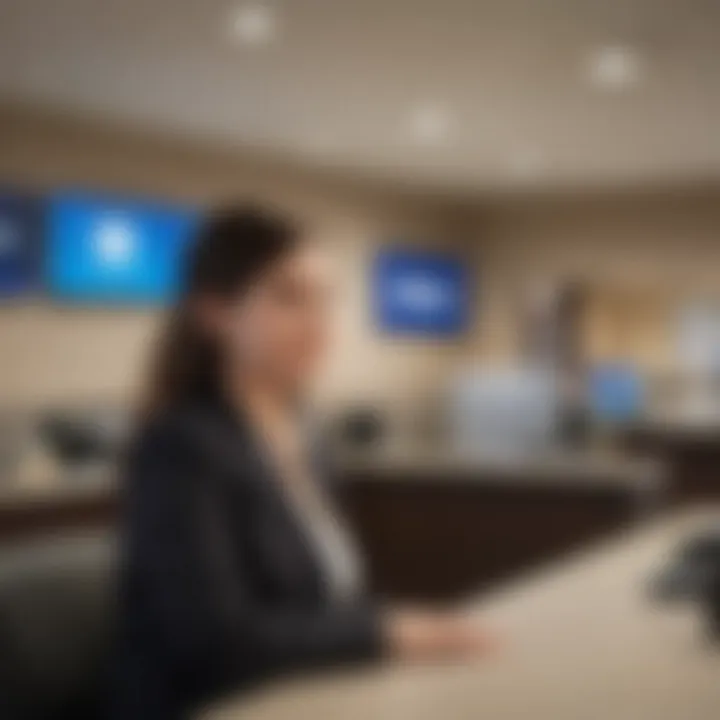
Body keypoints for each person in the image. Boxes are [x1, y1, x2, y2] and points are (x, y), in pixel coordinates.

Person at [113, 205, 494, 719]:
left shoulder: (305, 434)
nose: (318, 321)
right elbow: (215, 642)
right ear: (215, 313)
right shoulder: (180, 447)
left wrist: (399, 627)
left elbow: (326, 601)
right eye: (288, 296)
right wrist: (386, 633)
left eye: (325, 299)